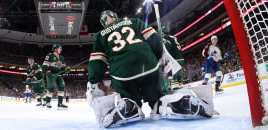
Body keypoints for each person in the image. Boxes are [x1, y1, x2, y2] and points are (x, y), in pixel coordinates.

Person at [86, 10, 218, 128]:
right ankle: (173, 103)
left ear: (103, 23)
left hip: (123, 74)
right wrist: (156, 57)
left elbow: (97, 62)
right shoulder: (134, 21)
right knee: (157, 98)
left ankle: (130, 107)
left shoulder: (100, 35)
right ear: (115, 16)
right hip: (148, 65)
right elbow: (154, 39)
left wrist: (94, 79)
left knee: (130, 98)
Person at [42, 44, 70, 109]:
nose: (60, 50)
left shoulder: (61, 58)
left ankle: (60, 103)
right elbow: (44, 66)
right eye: (59, 48)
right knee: (51, 88)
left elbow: (63, 68)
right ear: (55, 49)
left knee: (62, 87)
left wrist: (66, 69)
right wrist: (48, 72)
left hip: (59, 75)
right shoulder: (50, 55)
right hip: (51, 74)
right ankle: (47, 102)